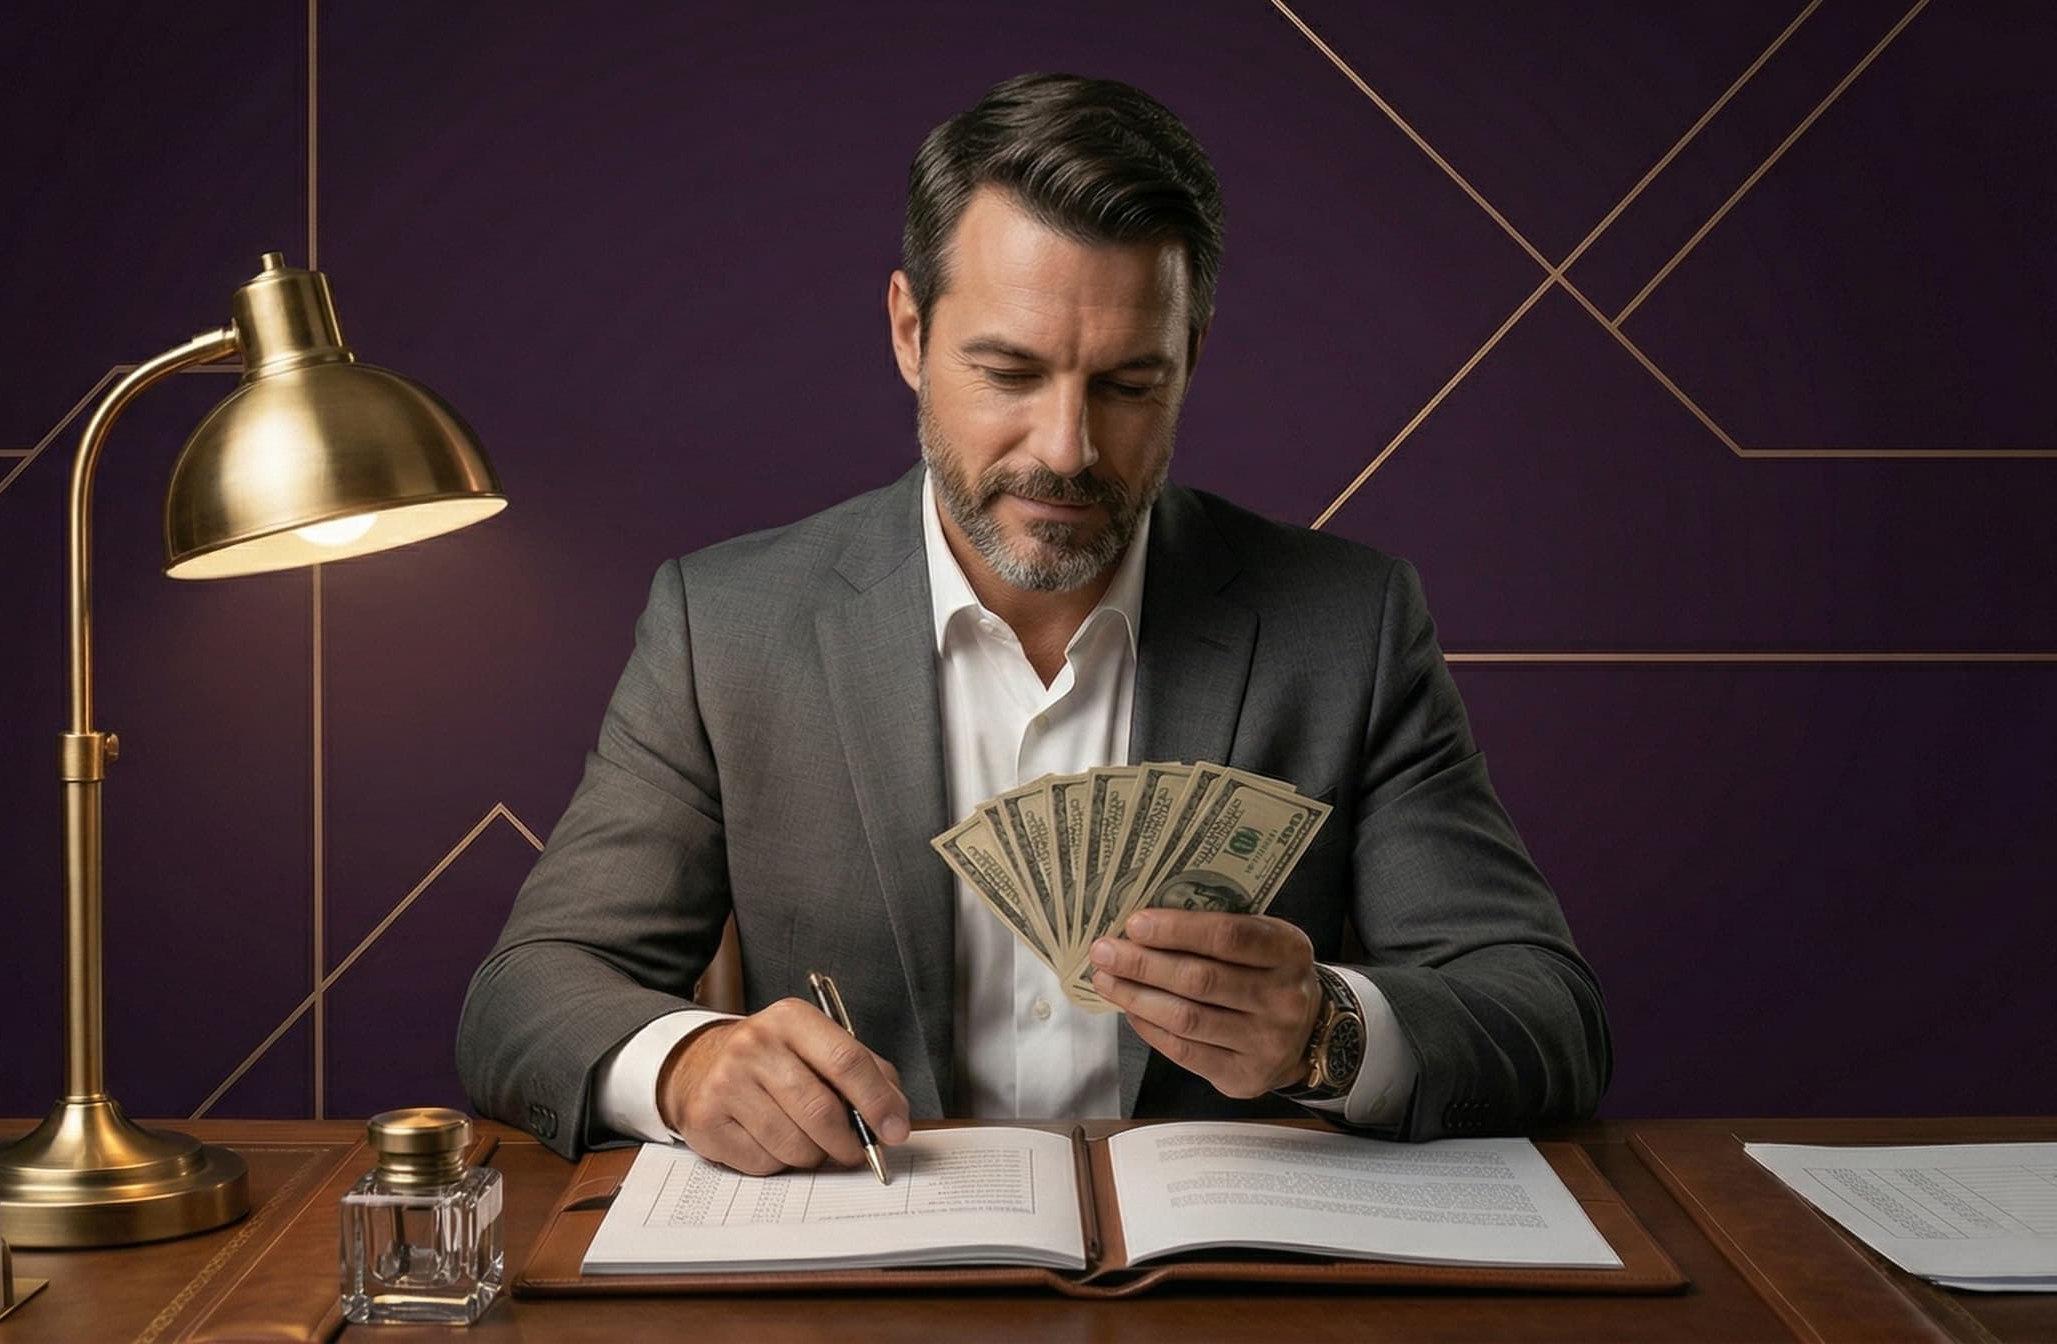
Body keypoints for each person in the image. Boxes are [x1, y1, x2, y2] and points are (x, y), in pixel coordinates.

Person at [458, 73, 1609, 1170]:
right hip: (871, 1265)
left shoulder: (1347, 625)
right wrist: (687, 1066)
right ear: (910, 332)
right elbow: (529, 991)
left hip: (1224, 1289)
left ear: (1192, 360)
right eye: (1008, 372)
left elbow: (1545, 1012)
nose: (1066, 450)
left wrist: (1329, 1035)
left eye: (1126, 385)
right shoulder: (726, 626)